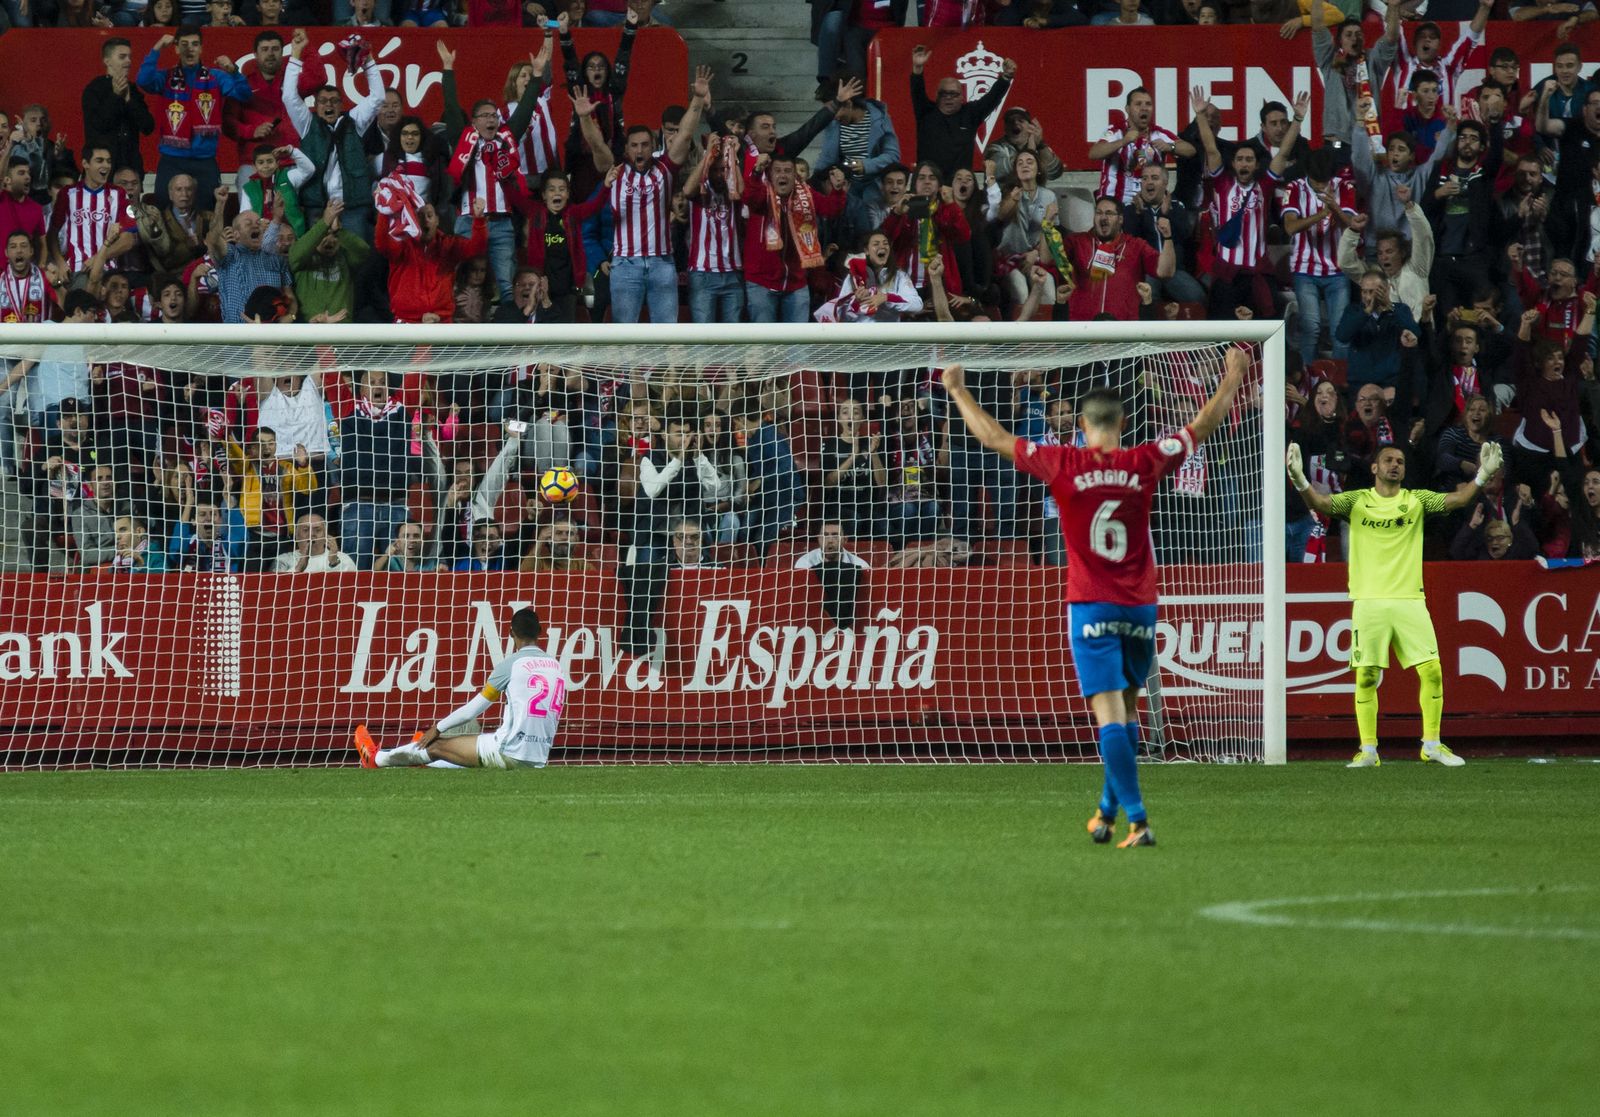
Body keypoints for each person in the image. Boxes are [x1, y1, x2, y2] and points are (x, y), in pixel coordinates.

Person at [940, 349, 1248, 848]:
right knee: (1127, 713)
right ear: (1123, 422)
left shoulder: (1062, 463)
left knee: (1108, 716)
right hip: (1140, 609)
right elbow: (1200, 426)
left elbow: (994, 437)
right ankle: (1105, 812)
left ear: (1081, 424)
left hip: (1090, 606)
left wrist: (957, 389)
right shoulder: (1145, 460)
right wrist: (1232, 377)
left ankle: (1138, 818)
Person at [1290, 436, 1503, 767]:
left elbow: (1459, 500)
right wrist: (1300, 479)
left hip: (1409, 600)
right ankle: (1368, 750)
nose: (1395, 465)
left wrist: (1483, 474)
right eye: (1388, 460)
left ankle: (1431, 744)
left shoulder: (1416, 501)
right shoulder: (1357, 501)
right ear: (1375, 467)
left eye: (1400, 461)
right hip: (1369, 601)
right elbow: (1319, 503)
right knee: (1366, 676)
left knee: (1431, 671)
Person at [356, 608, 568, 770]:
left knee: (435, 746)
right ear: (540, 632)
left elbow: (473, 710)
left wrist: (437, 728)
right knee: (457, 753)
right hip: (538, 758)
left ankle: (376, 758)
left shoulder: (511, 665)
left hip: (509, 751)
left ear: (510, 632)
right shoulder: (557, 667)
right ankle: (422, 763)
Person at [605, 67, 711, 324]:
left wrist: (697, 99)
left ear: (654, 145)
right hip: (625, 264)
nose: (639, 149)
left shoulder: (664, 169)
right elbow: (597, 145)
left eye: (644, 144)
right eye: (634, 145)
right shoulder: (615, 172)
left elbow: (685, 135)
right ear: (627, 149)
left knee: (666, 335)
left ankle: (663, 368)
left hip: (662, 262)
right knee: (624, 336)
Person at [281, 27, 386, 241]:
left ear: (341, 105)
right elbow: (289, 97)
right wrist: (296, 56)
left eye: (334, 101)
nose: (328, 105)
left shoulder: (354, 121)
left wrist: (368, 61)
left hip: (352, 206)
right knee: (318, 257)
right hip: (317, 206)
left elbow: (377, 97)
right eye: (323, 101)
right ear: (316, 105)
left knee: (357, 259)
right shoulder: (307, 123)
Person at [137, 26, 254, 201]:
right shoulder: (166, 77)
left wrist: (233, 71)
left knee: (207, 211)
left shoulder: (217, 77)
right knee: (162, 208)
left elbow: (244, 94)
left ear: (201, 48)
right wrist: (157, 48)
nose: (190, 49)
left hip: (204, 160)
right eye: (184, 44)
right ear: (176, 48)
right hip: (172, 159)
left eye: (194, 44)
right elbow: (143, 80)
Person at [908, 44, 1015, 180]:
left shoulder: (969, 114)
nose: (948, 98)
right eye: (944, 94)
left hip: (959, 186)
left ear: (962, 97)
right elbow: (917, 90)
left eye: (953, 94)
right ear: (936, 96)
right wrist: (917, 68)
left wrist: (1006, 76)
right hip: (928, 183)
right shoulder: (926, 112)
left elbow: (992, 98)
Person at [1063, 195, 1171, 321]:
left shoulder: (1136, 245)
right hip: (1083, 329)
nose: (1103, 217)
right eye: (1099, 213)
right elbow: (1047, 259)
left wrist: (1168, 237)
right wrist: (1047, 224)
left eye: (1109, 213)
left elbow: (1165, 271)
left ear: (1120, 219)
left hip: (1124, 331)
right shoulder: (1077, 242)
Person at [1088, 86, 1194, 207]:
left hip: (1148, 204)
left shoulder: (1158, 133)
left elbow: (1190, 150)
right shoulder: (1116, 131)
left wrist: (1171, 147)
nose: (1144, 108)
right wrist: (1124, 141)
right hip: (1115, 203)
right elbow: (1094, 153)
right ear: (1127, 109)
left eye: (1148, 104)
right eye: (1138, 104)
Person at [82, 37, 155, 180]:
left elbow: (148, 127)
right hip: (103, 168)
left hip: (131, 164)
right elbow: (98, 125)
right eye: (122, 57)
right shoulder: (94, 89)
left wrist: (129, 100)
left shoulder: (133, 90)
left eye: (129, 57)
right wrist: (115, 97)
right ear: (107, 61)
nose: (128, 61)